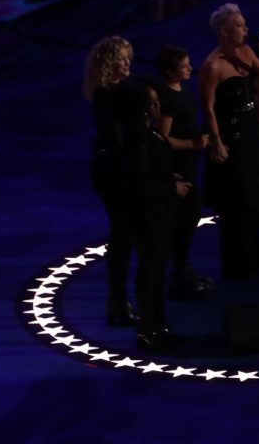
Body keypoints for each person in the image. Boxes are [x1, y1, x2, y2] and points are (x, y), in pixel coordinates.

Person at [199, 3, 259, 280]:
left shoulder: (246, 52)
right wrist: (216, 142)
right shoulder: (212, 65)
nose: (246, 29)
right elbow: (208, 108)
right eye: (240, 25)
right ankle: (238, 265)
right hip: (230, 135)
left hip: (251, 130)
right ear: (224, 31)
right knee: (236, 202)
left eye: (245, 24)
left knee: (256, 196)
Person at [116, 80, 191, 351]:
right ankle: (148, 329)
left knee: (158, 269)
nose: (159, 106)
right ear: (142, 110)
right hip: (147, 216)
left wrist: (168, 177)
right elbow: (141, 184)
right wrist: (173, 187)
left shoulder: (148, 134)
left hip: (158, 213)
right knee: (150, 271)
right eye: (153, 103)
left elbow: (149, 173)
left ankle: (158, 325)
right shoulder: (137, 139)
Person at [82, 36, 139, 326]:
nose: (127, 63)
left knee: (126, 232)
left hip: (119, 166)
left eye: (128, 57)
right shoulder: (105, 95)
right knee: (122, 232)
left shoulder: (121, 90)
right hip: (112, 170)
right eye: (121, 58)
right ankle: (117, 300)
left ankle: (120, 298)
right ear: (108, 63)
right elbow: (113, 139)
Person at [154, 45, 214, 299]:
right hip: (176, 170)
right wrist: (193, 144)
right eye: (183, 66)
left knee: (190, 217)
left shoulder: (183, 91)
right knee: (184, 219)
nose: (190, 68)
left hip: (188, 166)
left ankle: (182, 268)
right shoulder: (167, 98)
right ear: (170, 72)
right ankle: (178, 274)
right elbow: (162, 138)